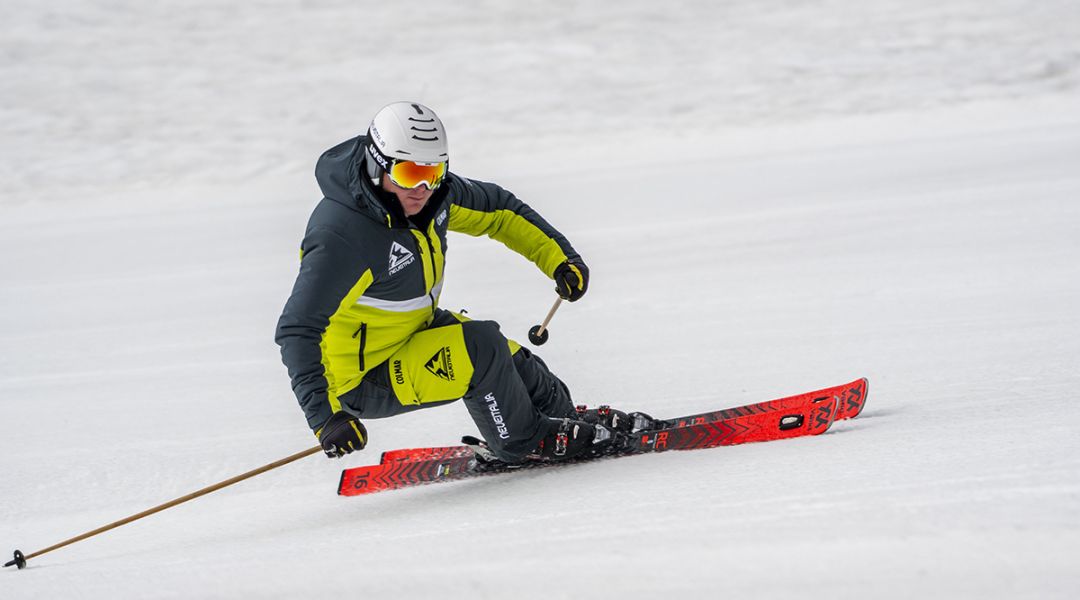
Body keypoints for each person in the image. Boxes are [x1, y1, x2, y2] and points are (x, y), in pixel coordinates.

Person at [276, 101, 627, 464]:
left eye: (434, 171)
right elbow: (297, 329)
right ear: (377, 164)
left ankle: (564, 420)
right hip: (362, 377)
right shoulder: (343, 236)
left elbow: (499, 212)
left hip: (409, 333)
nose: (423, 188)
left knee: (515, 362)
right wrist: (326, 418)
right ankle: (525, 442)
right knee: (482, 350)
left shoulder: (433, 197)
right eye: (410, 174)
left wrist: (560, 260)